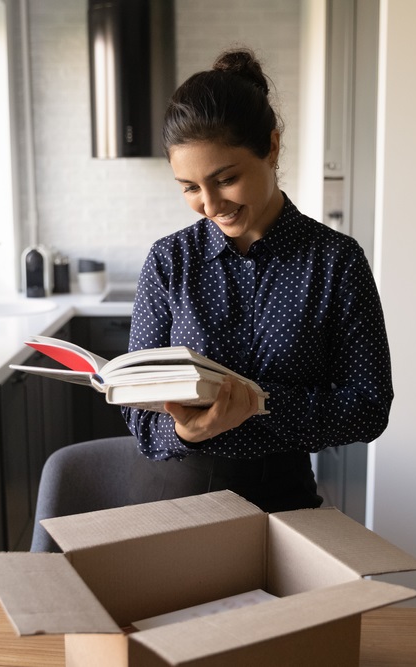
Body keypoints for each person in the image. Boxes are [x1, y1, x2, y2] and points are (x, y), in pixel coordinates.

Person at [122, 48, 393, 512]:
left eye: (225, 179)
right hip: (176, 496)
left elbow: (368, 408)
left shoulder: (336, 262)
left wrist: (261, 404)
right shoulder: (169, 261)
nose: (209, 204)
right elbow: (135, 410)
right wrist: (185, 430)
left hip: (285, 500)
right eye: (189, 187)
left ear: (271, 147)